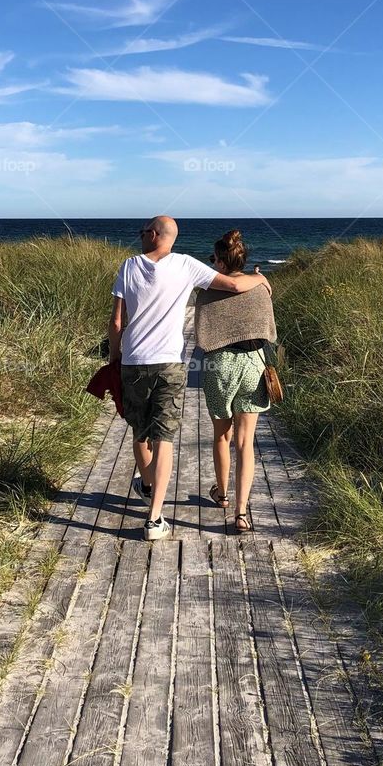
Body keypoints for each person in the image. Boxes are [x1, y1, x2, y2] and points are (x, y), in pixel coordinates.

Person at [109, 216, 270, 540]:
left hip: (144, 363)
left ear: (153, 235)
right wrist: (262, 278)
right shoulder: (188, 266)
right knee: (176, 439)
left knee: (144, 434)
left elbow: (116, 323)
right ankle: (171, 517)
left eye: (142, 232)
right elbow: (242, 293)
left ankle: (162, 486)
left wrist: (114, 358)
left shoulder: (129, 266)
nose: (140, 236)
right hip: (195, 363)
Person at [193, 229, 277, 533]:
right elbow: (270, 329)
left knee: (221, 435)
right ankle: (241, 514)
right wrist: (261, 279)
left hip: (219, 365)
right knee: (245, 443)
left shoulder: (207, 292)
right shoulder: (261, 288)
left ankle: (223, 494)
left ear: (218, 260)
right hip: (254, 363)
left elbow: (202, 332)